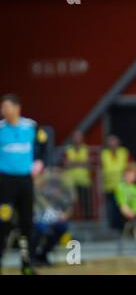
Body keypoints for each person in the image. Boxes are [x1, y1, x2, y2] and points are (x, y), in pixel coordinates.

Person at [0, 94, 46, 275]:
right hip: (5, 182)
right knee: (3, 222)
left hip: (25, 181)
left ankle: (26, 264)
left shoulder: (31, 126)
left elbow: (43, 144)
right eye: (3, 107)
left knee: (27, 223)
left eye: (7, 106)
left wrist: (40, 161)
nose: (4, 110)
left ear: (17, 107)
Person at [32, 166, 75, 266]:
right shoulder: (31, 189)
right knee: (42, 230)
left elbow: (69, 205)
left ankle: (43, 255)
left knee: (62, 227)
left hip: (50, 218)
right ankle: (32, 256)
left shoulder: (52, 190)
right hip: (35, 219)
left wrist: (65, 215)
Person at [101, 135, 130, 229]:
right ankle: (113, 227)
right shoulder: (104, 153)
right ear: (108, 143)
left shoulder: (124, 152)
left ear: (118, 142)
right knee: (112, 208)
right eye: (111, 141)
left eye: (114, 141)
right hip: (109, 186)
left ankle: (123, 227)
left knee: (122, 206)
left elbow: (129, 166)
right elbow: (101, 169)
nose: (113, 144)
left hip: (122, 186)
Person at [64, 131, 92, 219]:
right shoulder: (68, 149)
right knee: (70, 203)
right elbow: (66, 164)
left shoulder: (86, 149)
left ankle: (88, 220)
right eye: (75, 137)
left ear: (82, 138)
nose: (77, 139)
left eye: (79, 137)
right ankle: (70, 219)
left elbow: (89, 163)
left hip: (84, 181)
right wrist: (81, 163)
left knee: (86, 203)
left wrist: (73, 163)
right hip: (71, 181)